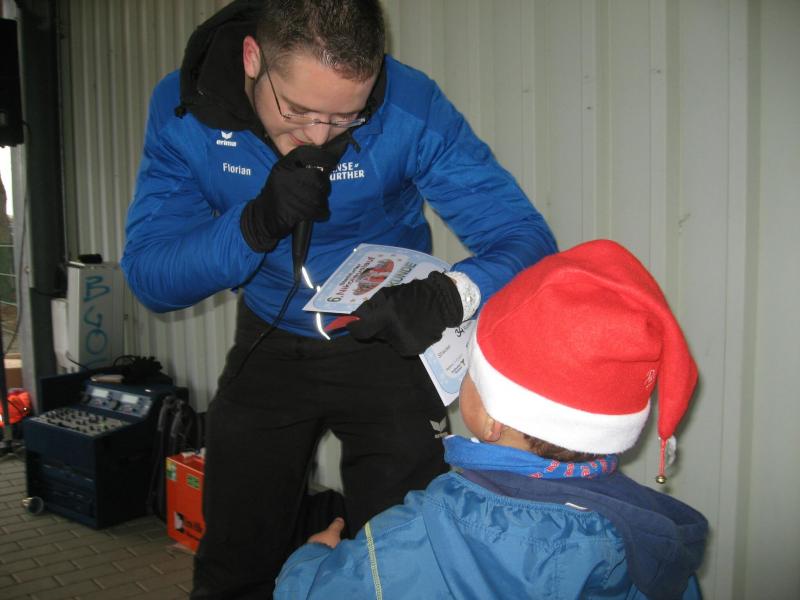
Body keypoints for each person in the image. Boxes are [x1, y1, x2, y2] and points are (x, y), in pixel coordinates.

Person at [121, 0, 556, 597]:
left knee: (403, 565)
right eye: (297, 110)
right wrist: (253, 226)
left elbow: (525, 238)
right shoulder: (187, 110)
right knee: (235, 559)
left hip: (385, 340)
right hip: (269, 340)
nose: (319, 136)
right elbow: (151, 277)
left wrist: (451, 294)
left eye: (347, 116)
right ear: (253, 59)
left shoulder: (409, 107)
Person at [275, 239, 709, 599]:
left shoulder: (428, 526)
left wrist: (312, 558)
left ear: (492, 419)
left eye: (471, 366)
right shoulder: (655, 537)